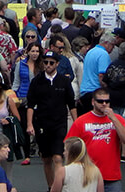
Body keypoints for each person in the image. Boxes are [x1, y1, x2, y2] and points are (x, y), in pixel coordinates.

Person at [26, 50, 77, 190]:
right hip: (41, 123)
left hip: (59, 123)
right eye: (46, 62)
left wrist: (76, 123)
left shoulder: (64, 81)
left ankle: (59, 187)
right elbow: (30, 104)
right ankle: (51, 187)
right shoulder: (37, 81)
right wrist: (30, 124)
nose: (48, 65)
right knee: (46, 158)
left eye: (51, 63)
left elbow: (71, 104)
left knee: (58, 157)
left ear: (57, 64)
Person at [66, 87, 125, 192]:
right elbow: (69, 145)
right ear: (93, 102)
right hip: (88, 176)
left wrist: (114, 119)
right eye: (100, 101)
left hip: (111, 177)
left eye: (107, 101)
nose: (104, 104)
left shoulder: (118, 119)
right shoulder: (81, 121)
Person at [78, 33, 115, 114]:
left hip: (84, 91)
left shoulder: (90, 51)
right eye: (112, 45)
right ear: (106, 43)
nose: (113, 48)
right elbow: (102, 76)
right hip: (95, 91)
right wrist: (106, 90)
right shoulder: (103, 54)